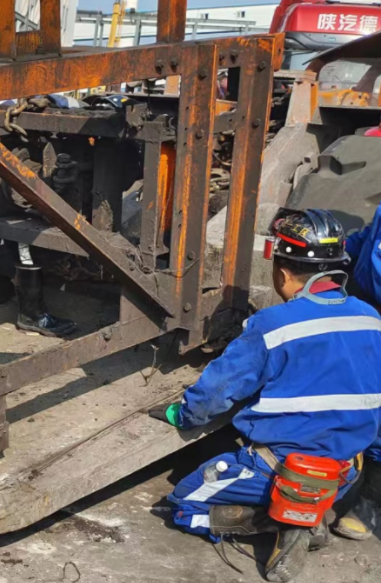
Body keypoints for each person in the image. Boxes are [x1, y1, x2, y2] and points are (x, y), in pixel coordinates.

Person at [148, 209, 381, 582]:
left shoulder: (273, 326)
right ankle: (312, 512)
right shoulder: (370, 318)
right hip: (342, 475)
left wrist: (183, 413)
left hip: (282, 471)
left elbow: (215, 393)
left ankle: (288, 520)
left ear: (283, 273)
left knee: (183, 506)